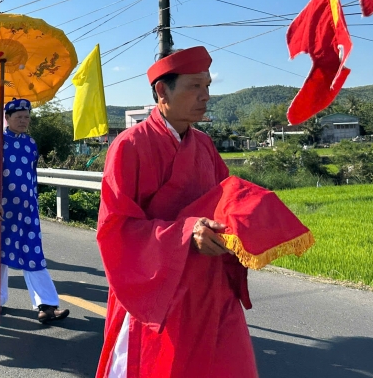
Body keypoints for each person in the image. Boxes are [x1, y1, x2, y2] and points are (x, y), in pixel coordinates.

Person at [96, 46, 256, 377]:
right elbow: (116, 229)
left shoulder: (205, 146)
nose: (206, 96)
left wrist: (254, 218)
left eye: (208, 86)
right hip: (155, 292)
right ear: (161, 91)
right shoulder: (129, 146)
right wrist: (186, 233)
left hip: (209, 288)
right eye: (194, 87)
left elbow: (225, 199)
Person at [0, 99, 70, 323]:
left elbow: (33, 177)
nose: (23, 120)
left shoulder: (31, 143)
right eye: (18, 117)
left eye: (27, 117)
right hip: (0, 208)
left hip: (27, 210)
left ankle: (47, 305)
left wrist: (34, 201)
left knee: (33, 254)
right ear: (7, 118)